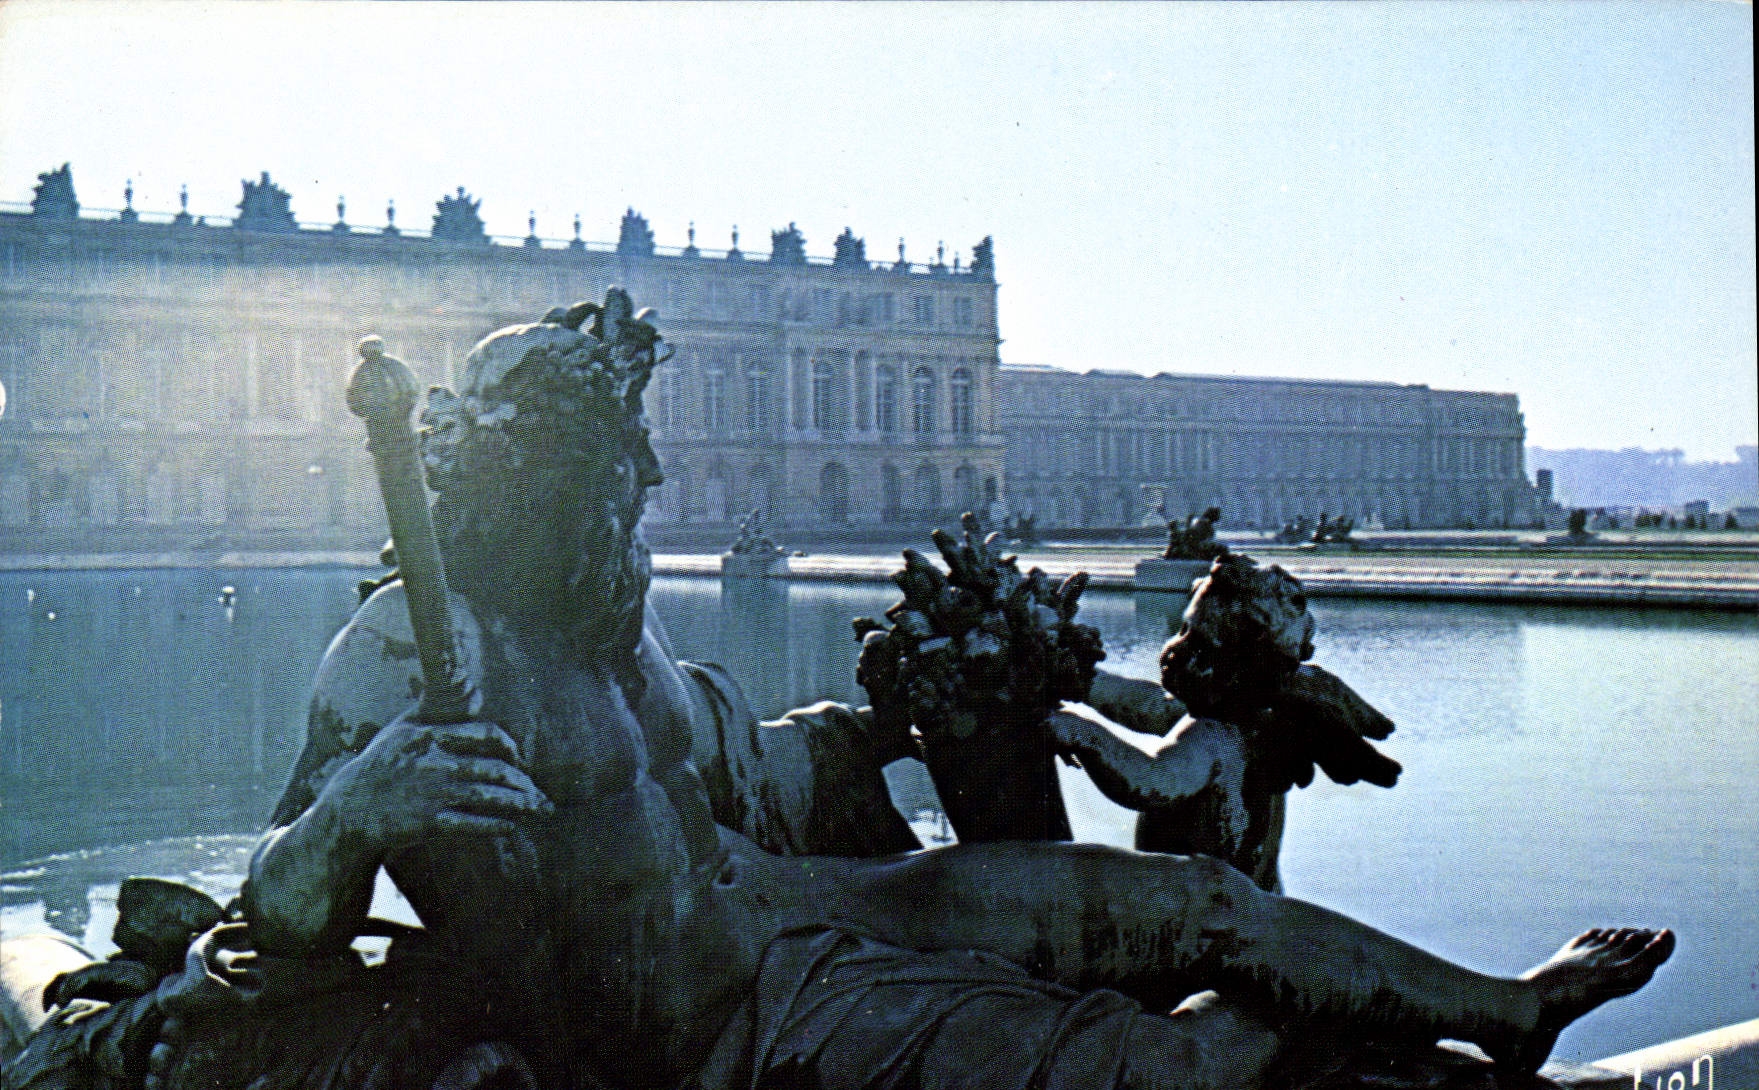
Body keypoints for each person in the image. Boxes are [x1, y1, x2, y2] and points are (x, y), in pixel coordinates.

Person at [12, 295, 1672, 1090]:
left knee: (1179, 901)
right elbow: (272, 914)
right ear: (526, 483)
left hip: (811, 904)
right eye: (613, 476)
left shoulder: (618, 631)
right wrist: (367, 809)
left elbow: (766, 760)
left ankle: (1501, 1005)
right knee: (1130, 1058)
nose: (646, 496)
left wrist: (914, 700)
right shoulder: (406, 653)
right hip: (737, 1023)